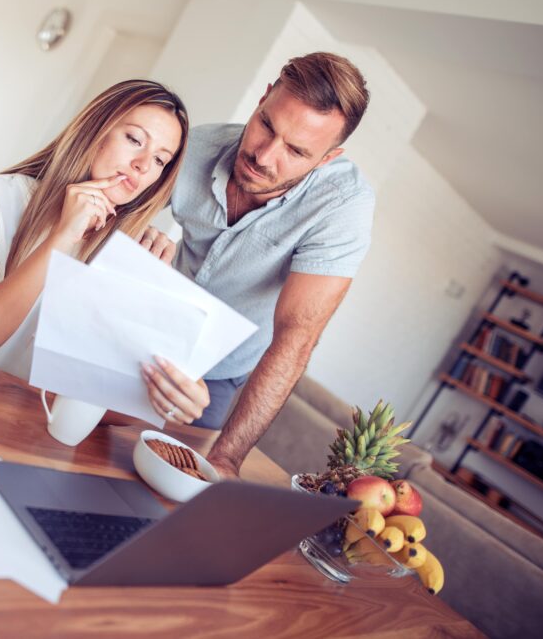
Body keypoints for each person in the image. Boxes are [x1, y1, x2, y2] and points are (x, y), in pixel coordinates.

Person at [0, 79, 210, 423]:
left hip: (12, 422)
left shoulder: (132, 252)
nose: (143, 165)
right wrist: (63, 236)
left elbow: (98, 401)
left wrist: (170, 394)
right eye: (134, 139)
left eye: (160, 160)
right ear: (96, 130)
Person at [150, 52, 376, 477]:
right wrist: (133, 234)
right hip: (148, 326)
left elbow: (296, 336)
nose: (265, 156)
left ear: (327, 158)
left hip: (218, 372)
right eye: (267, 126)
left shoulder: (342, 206)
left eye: (296, 150)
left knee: (172, 482)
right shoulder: (196, 145)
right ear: (264, 97)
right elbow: (114, 206)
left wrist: (227, 458)